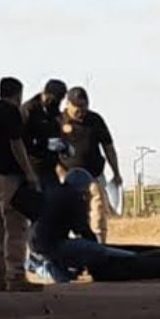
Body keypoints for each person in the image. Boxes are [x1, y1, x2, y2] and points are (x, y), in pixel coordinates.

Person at [0, 77, 42, 292]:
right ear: (17, 94)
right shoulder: (11, 112)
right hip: (9, 178)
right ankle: (16, 276)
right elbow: (16, 143)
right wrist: (29, 173)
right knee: (15, 228)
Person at [30, 168, 127, 282]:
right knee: (91, 249)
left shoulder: (55, 192)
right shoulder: (74, 198)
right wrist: (98, 251)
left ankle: (41, 263)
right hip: (50, 246)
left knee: (66, 273)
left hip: (36, 243)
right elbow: (83, 230)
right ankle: (44, 267)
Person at [57, 87, 122, 244]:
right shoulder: (57, 121)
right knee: (70, 215)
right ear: (68, 104)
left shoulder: (95, 120)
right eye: (77, 107)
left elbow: (108, 147)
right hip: (67, 178)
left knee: (98, 213)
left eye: (84, 106)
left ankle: (99, 246)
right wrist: (60, 173)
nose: (81, 111)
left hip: (93, 176)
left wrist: (116, 171)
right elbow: (50, 154)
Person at [22, 79, 68, 190]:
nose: (56, 103)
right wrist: (44, 143)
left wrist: (64, 146)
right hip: (33, 165)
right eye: (54, 99)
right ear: (45, 93)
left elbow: (57, 131)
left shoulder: (53, 109)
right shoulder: (29, 109)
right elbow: (22, 139)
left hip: (51, 166)